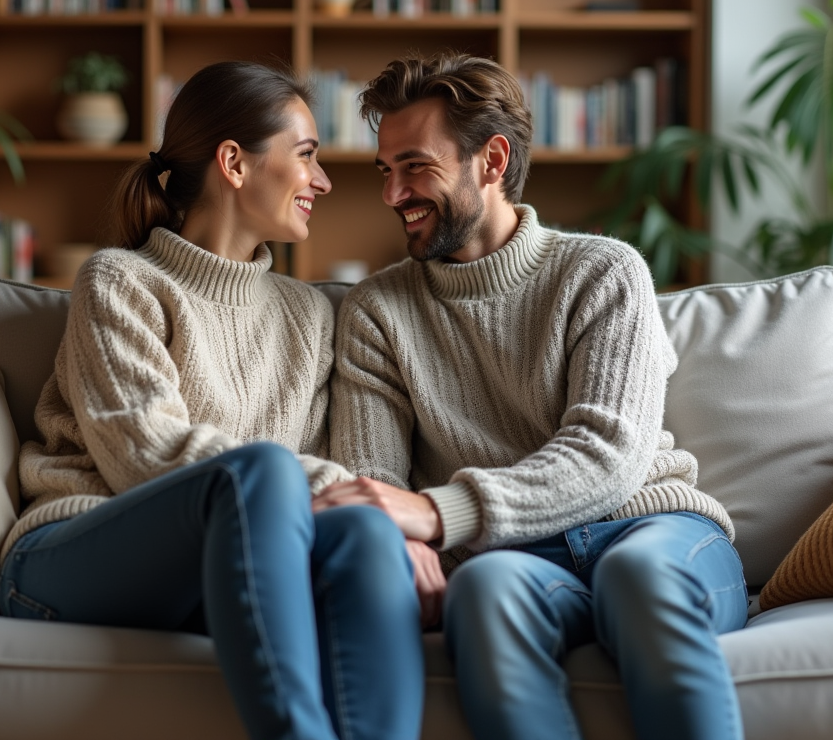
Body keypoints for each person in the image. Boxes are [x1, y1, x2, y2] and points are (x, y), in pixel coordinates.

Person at [315, 51, 748, 740]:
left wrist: (436, 512)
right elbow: (377, 483)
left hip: (648, 527)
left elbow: (609, 455)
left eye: (416, 168)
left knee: (639, 578)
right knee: (481, 596)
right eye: (386, 171)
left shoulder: (602, 272)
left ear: (491, 161)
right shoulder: (376, 310)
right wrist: (402, 533)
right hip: (510, 562)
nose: (394, 194)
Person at [0, 61, 423, 740]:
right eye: (307, 156)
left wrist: (378, 511)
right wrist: (328, 484)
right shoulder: (121, 281)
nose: (323, 181)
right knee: (264, 472)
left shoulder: (308, 315)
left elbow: (319, 496)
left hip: (227, 565)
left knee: (366, 532)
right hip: (68, 557)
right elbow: (144, 452)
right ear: (234, 162)